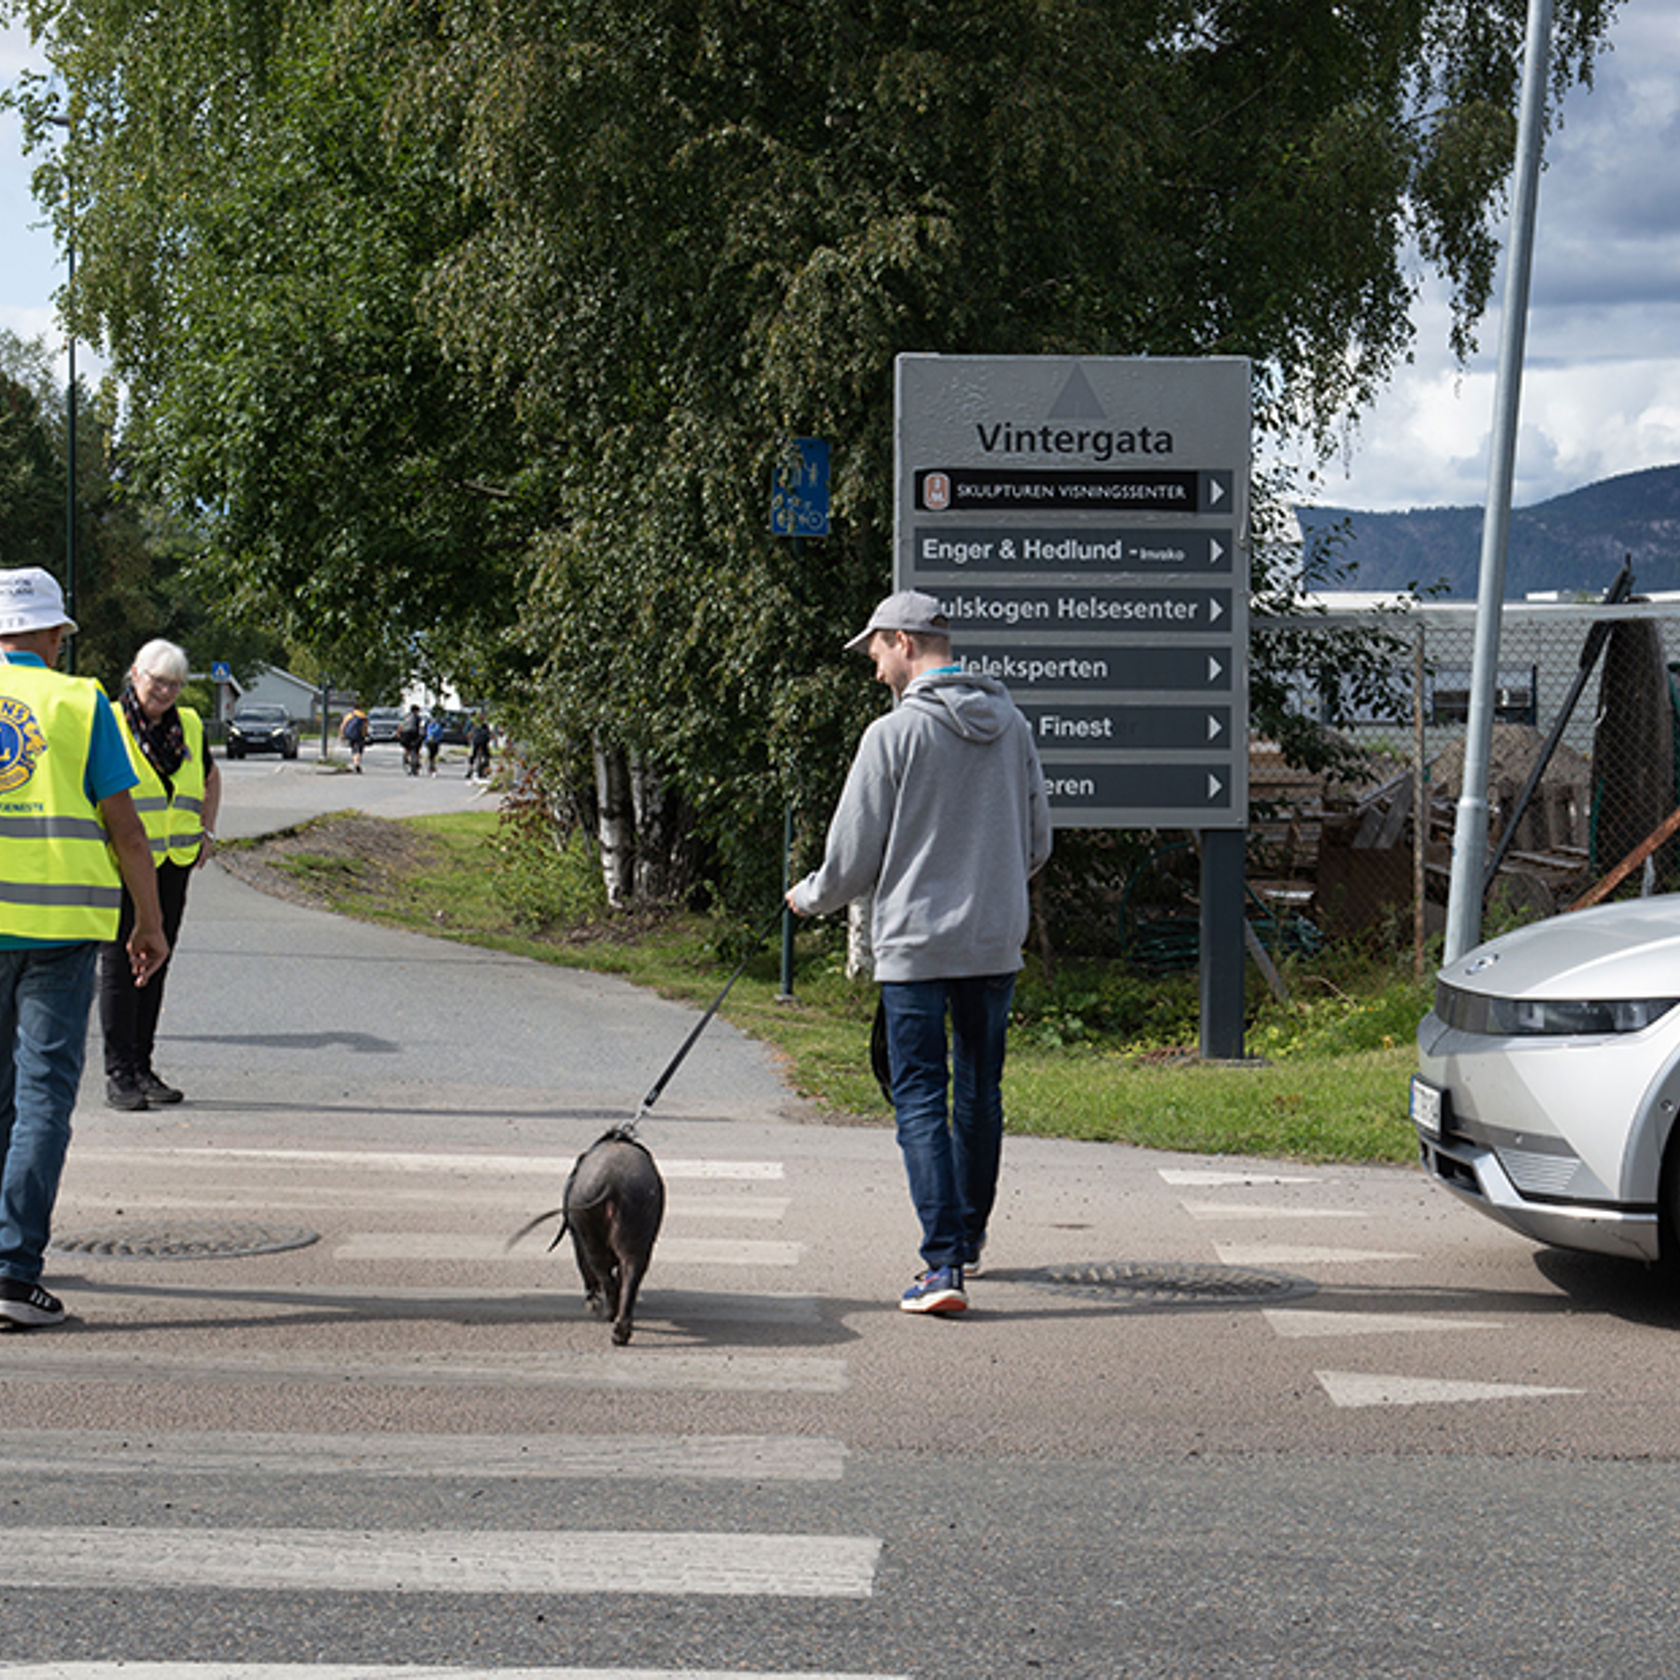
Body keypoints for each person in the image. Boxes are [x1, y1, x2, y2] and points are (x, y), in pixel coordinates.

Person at [787, 589, 1051, 1315]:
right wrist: (988, 892)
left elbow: (850, 859)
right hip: (994, 945)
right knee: (981, 1093)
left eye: (875, 650)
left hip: (914, 949)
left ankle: (941, 1270)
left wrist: (807, 898)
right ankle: (966, 1240)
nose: (873, 669)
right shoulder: (1013, 727)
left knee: (919, 1100)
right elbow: (1038, 843)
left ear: (905, 642)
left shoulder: (891, 738)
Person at [0, 567, 169, 1328]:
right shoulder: (80, 702)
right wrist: (149, 920)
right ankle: (11, 1272)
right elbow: (127, 830)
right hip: (62, 929)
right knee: (41, 1098)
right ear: (50, 635)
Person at [98, 638, 222, 1111]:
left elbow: (210, 777)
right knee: (119, 963)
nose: (166, 692)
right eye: (158, 681)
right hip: (122, 862)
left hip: (174, 861)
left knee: (157, 960)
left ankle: (143, 1064)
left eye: (174, 684)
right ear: (135, 674)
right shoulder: (107, 721)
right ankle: (118, 1072)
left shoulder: (188, 725)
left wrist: (207, 831)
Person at [339, 702, 368, 773]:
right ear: (361, 708)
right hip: (359, 735)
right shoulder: (363, 716)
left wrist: (342, 734)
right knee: (358, 750)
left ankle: (355, 763)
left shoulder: (349, 715)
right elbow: (365, 727)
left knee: (353, 750)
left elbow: (343, 725)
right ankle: (356, 764)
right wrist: (364, 735)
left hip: (350, 735)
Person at [397, 704, 423, 776]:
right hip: (413, 734)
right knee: (416, 749)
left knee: (406, 748)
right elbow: (419, 728)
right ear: (416, 711)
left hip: (404, 734)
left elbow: (400, 726)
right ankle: (415, 764)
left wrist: (399, 734)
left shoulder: (406, 716)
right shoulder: (417, 717)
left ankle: (406, 758)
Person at [467, 715, 492, 781]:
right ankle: (486, 769)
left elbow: (470, 734)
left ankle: (470, 768)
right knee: (487, 756)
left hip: (476, 742)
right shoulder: (485, 726)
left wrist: (470, 738)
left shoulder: (474, 725)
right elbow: (490, 734)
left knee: (472, 755)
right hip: (484, 742)